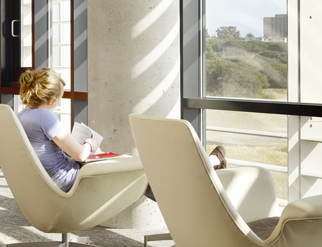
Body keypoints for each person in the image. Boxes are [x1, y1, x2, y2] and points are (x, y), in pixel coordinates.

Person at [17, 67, 227, 193]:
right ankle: (207, 166)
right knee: (139, 166)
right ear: (51, 99)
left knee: (139, 171)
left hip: (45, 182)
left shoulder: (21, 117)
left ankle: (189, 181)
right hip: (69, 180)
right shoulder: (45, 116)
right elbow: (80, 154)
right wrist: (89, 143)